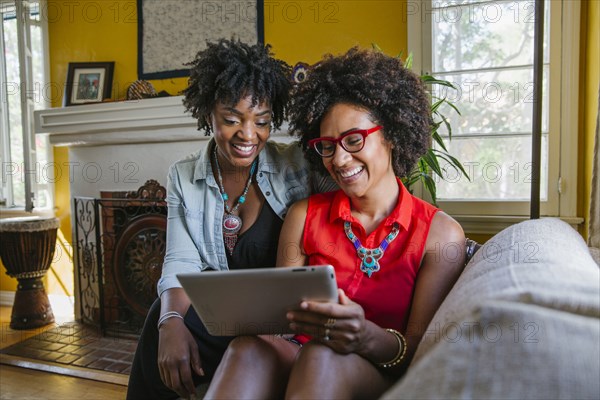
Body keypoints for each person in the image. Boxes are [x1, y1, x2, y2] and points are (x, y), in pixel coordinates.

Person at [204, 47, 467, 399]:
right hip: (299, 354)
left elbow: (421, 353)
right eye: (327, 146)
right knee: (247, 348)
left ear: (390, 133)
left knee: (321, 354)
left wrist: (365, 335)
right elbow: (280, 323)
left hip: (378, 367)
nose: (340, 159)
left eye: (354, 140)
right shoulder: (303, 215)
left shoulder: (440, 235)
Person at [126, 39, 334, 400]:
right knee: (162, 314)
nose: (248, 135)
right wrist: (171, 323)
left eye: (263, 121)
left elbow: (357, 182)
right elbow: (180, 260)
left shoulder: (299, 165)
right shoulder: (183, 176)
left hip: (280, 324)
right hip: (222, 320)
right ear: (209, 113)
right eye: (232, 119)